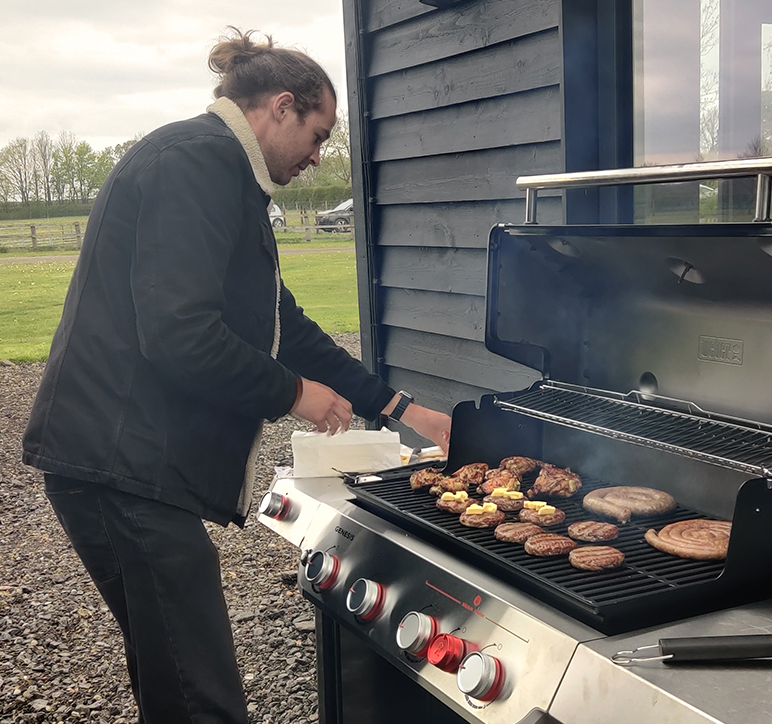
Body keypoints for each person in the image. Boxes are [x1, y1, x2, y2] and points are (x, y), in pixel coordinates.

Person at [22, 28, 451, 724]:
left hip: (126, 466)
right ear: (281, 105)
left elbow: (289, 328)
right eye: (317, 134)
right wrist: (293, 395)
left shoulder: (226, 175)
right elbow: (178, 332)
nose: (318, 157)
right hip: (119, 467)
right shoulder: (196, 163)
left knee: (174, 681)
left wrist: (404, 407)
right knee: (201, 701)